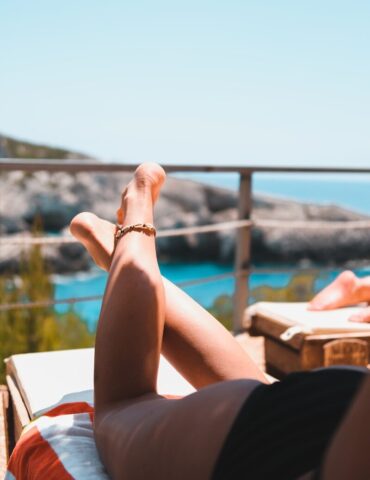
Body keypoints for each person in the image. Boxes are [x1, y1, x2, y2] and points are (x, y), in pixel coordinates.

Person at [70, 163, 370, 480]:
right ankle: (136, 215)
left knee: (265, 396)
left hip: (344, 402)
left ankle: (124, 253)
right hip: (301, 448)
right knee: (123, 406)